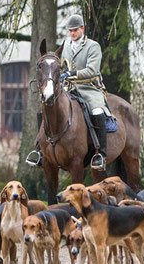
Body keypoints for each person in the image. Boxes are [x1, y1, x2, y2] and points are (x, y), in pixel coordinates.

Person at [26, 14, 109, 170]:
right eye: (70, 30)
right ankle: (40, 150)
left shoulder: (93, 46)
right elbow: (59, 68)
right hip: (69, 88)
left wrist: (71, 74)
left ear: (82, 29)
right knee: (46, 106)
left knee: (97, 110)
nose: (72, 33)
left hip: (89, 87)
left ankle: (101, 154)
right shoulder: (66, 48)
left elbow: (92, 70)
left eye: (75, 30)